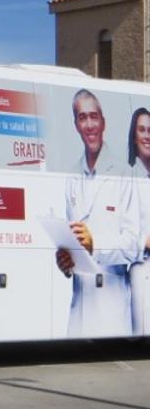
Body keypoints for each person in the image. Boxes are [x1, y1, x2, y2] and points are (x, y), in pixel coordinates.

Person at [57, 90, 140, 337]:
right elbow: (72, 239)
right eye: (83, 117)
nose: (90, 124)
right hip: (78, 310)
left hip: (111, 310)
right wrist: (66, 261)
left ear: (103, 122)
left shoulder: (123, 173)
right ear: (76, 125)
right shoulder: (71, 176)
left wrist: (97, 245)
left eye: (94, 116)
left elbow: (135, 243)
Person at [125, 107, 150, 334]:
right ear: (134, 137)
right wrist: (146, 241)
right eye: (141, 130)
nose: (147, 135)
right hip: (144, 269)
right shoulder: (128, 179)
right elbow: (123, 233)